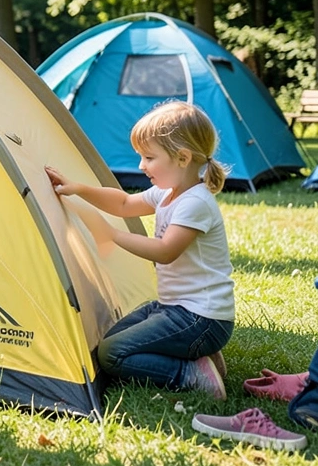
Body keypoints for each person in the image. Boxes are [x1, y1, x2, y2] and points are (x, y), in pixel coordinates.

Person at [45, 100, 233, 399]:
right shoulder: (167, 192)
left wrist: (112, 235)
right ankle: (197, 354)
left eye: (148, 157)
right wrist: (78, 188)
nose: (141, 166)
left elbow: (165, 250)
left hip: (201, 319)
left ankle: (190, 373)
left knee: (112, 354)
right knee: (112, 337)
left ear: (182, 158)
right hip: (177, 309)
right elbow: (122, 203)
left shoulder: (195, 203)